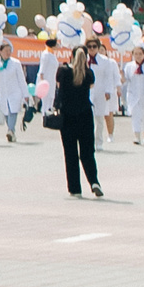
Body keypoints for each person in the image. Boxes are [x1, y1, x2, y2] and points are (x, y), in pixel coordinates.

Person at [55, 41, 104, 199]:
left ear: (71, 56)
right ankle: (94, 181)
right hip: (85, 115)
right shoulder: (89, 74)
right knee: (87, 152)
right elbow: (89, 88)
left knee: (70, 153)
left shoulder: (63, 71)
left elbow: (59, 89)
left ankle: (75, 188)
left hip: (67, 116)